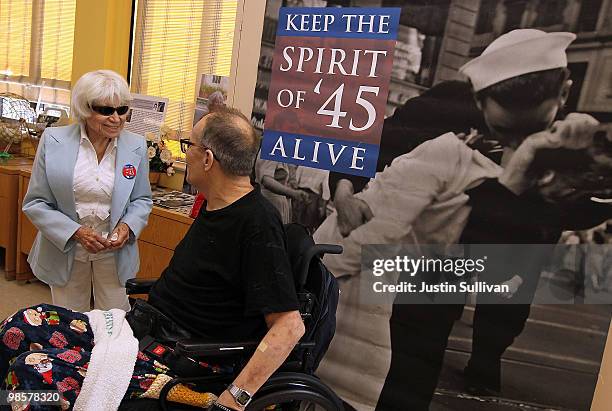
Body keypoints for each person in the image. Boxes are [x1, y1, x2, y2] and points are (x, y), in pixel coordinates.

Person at [313, 29, 610, 410]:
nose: (518, 137)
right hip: (384, 273)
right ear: (479, 98)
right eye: (504, 126)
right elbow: (365, 144)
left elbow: (567, 216)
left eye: (531, 126)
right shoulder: (444, 108)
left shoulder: (566, 142)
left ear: (564, 93)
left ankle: (484, 360)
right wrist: (343, 190)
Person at [1, 107, 305, 411]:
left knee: (32, 371)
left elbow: (290, 327)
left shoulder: (257, 224)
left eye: (190, 147)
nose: (187, 155)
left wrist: (236, 398)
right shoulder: (215, 206)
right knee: (20, 325)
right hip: (144, 331)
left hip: (184, 359)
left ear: (209, 159)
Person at [22, 69, 153, 312]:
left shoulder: (136, 146)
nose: (116, 118)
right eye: (105, 110)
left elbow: (142, 200)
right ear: (85, 109)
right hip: (66, 248)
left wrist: (127, 227)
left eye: (122, 110)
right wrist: (77, 232)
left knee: (115, 324)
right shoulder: (53, 140)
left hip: (114, 253)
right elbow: (36, 203)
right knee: (72, 325)